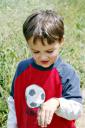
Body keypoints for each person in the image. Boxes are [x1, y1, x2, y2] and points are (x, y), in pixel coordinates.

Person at [7, 10, 82, 128]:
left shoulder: (67, 73)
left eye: (49, 51)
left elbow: (77, 111)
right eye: (36, 51)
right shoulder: (22, 68)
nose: (43, 57)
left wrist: (57, 103)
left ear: (61, 41)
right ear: (28, 44)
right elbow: (13, 102)